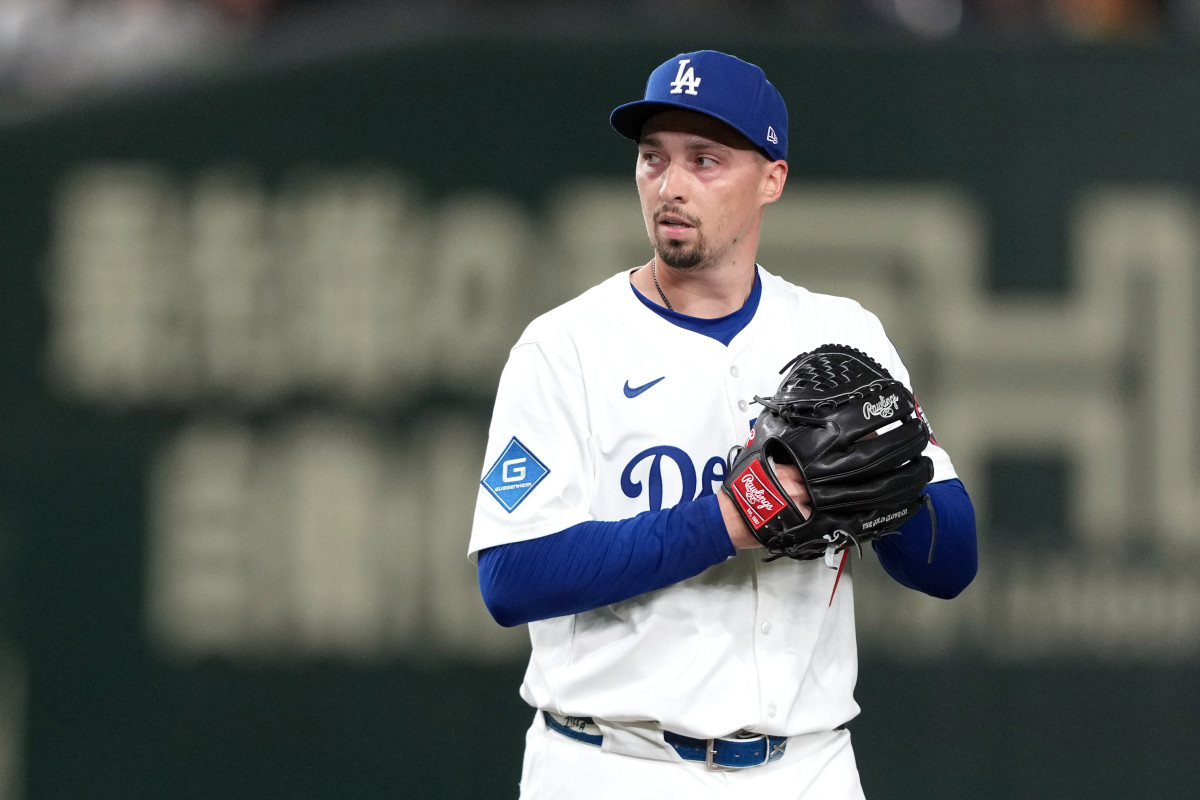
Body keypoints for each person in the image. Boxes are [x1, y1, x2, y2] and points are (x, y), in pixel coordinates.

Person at [469, 49, 978, 800]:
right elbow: (510, 578)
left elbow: (950, 561)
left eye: (705, 160)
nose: (670, 186)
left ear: (771, 177)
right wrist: (733, 518)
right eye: (653, 159)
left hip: (806, 768)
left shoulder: (844, 338)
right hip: (611, 764)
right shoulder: (565, 346)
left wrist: (876, 489)